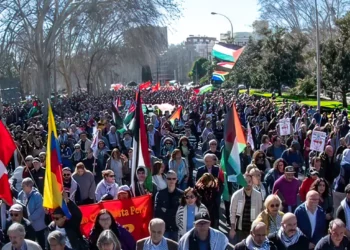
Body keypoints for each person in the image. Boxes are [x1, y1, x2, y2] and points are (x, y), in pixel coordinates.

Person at [229, 173, 263, 243]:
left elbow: (260, 212)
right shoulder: (236, 195)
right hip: (240, 228)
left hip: (253, 228)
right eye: (245, 182)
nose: (247, 184)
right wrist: (232, 228)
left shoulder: (258, 195)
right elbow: (232, 212)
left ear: (252, 182)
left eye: (249, 181)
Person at [154, 170, 184, 241]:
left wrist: (166, 210)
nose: (171, 181)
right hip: (164, 228)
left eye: (173, 179)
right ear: (166, 179)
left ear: (176, 180)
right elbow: (157, 211)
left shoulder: (182, 194)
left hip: (177, 228)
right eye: (169, 178)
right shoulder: (160, 194)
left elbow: (182, 211)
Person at [18, 177, 46, 249]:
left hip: (38, 225)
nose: (22, 187)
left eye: (23, 185)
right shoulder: (21, 194)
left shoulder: (37, 196)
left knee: (41, 243)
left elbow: (39, 210)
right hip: (27, 226)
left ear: (29, 186)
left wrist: (29, 219)